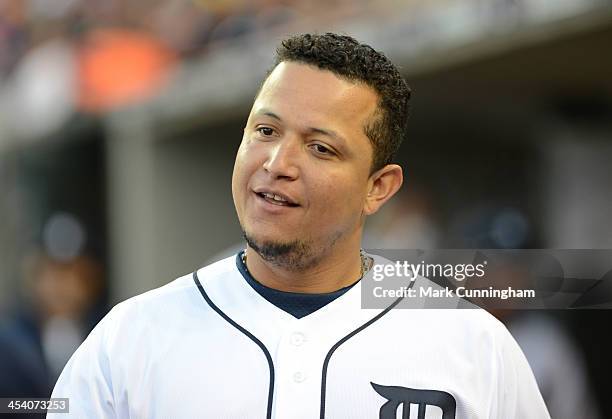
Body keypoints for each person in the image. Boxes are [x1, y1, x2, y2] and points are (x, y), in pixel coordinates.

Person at [49, 33, 549, 418]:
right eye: (265, 131)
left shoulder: (474, 345)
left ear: (379, 188)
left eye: (320, 147)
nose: (277, 162)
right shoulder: (129, 340)